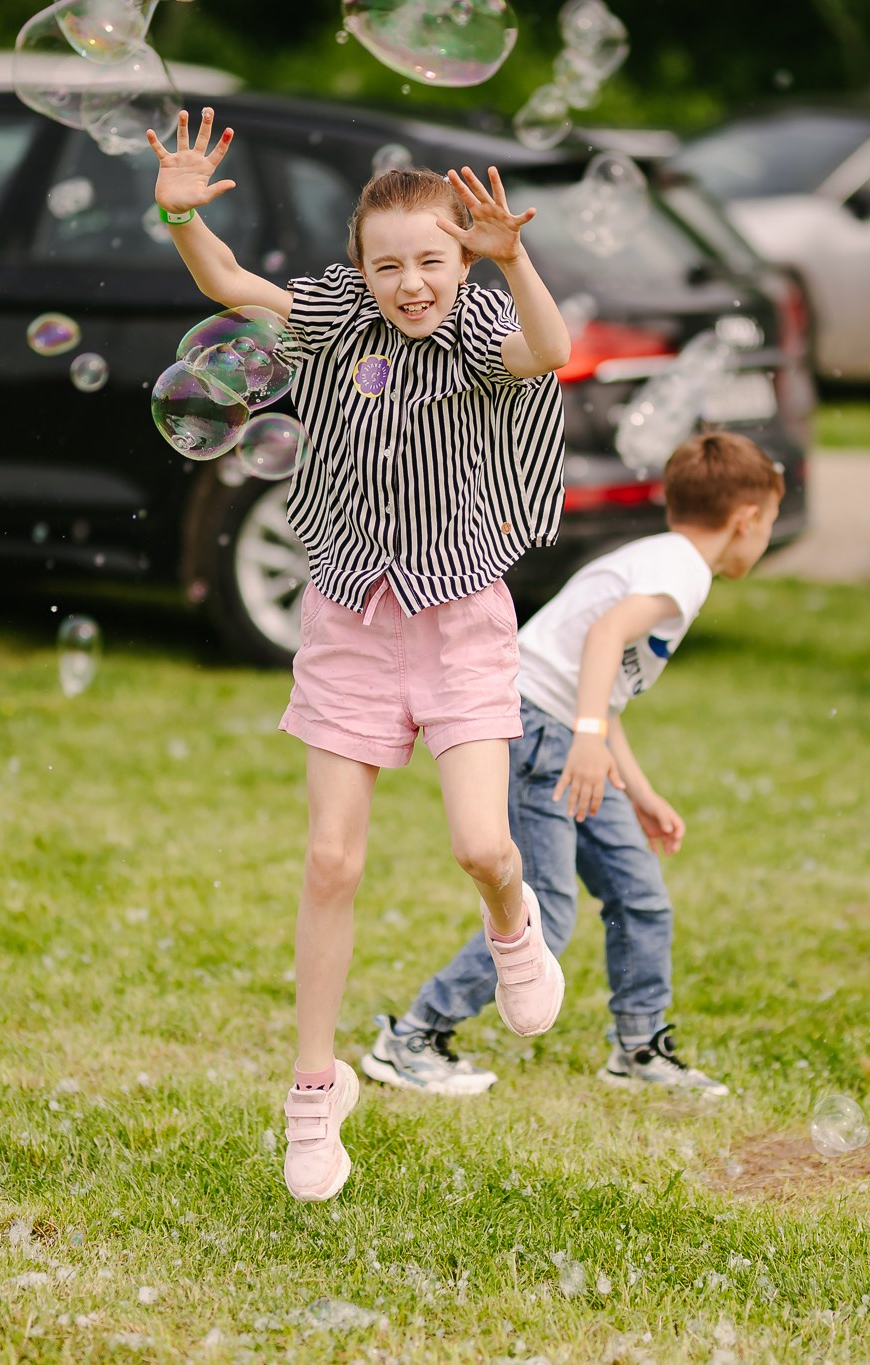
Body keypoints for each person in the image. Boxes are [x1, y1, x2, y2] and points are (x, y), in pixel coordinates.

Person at [147, 109, 573, 1200]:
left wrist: (512, 259)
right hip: (349, 621)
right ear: (361, 269)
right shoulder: (336, 320)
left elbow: (550, 352)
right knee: (330, 861)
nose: (411, 281)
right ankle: (311, 1088)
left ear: (460, 257)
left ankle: (512, 926)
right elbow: (231, 284)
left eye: (433, 259)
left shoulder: (480, 328)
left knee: (483, 844)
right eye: (389, 265)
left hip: (460, 618)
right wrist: (180, 215)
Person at [364, 432, 784, 1097]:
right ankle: (414, 1035)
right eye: (770, 525)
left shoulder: (661, 559)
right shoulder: (683, 571)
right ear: (748, 519)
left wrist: (637, 788)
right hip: (539, 729)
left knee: (638, 892)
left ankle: (640, 1048)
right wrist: (586, 735)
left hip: (565, 729)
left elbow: (601, 683)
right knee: (549, 912)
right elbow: (601, 638)